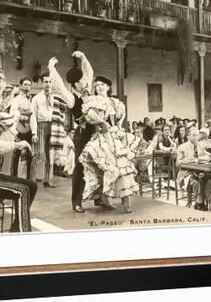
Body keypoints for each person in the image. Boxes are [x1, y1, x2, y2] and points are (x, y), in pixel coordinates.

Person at [79, 76, 144, 213]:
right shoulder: (93, 101)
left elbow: (120, 121)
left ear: (108, 87)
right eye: (97, 86)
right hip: (101, 137)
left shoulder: (116, 103)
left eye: (102, 85)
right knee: (106, 168)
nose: (100, 87)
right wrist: (102, 122)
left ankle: (126, 200)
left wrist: (119, 129)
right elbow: (90, 116)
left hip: (115, 137)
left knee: (122, 166)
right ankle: (105, 199)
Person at [46, 52, 96, 212]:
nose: (85, 81)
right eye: (82, 80)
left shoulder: (87, 92)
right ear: (75, 84)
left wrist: (83, 58)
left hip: (96, 133)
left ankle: (99, 199)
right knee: (81, 167)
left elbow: (89, 72)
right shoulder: (72, 98)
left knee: (100, 164)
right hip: (83, 135)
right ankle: (76, 202)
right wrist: (51, 68)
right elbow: (59, 85)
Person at [0, 116, 38, 233]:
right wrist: (16, 145)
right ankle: (23, 234)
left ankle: (16, 229)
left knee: (32, 186)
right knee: (22, 191)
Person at [29, 71, 67, 188]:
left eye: (50, 82)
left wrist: (61, 129)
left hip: (54, 126)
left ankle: (47, 179)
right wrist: (34, 132)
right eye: (46, 82)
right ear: (42, 83)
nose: (48, 84)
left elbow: (62, 114)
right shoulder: (36, 98)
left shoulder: (57, 98)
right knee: (39, 153)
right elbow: (33, 115)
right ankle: (32, 180)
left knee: (50, 154)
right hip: (41, 126)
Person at [175, 127, 211, 211]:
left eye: (196, 135)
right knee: (196, 181)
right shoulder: (182, 147)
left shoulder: (199, 146)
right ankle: (199, 203)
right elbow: (177, 163)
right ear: (188, 136)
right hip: (185, 173)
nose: (195, 137)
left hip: (198, 171)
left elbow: (205, 155)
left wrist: (208, 155)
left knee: (208, 179)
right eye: (193, 135)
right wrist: (187, 160)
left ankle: (207, 201)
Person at [9, 77, 34, 179]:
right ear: (21, 86)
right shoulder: (17, 99)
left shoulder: (31, 99)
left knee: (29, 153)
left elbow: (33, 115)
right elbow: (12, 111)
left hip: (29, 128)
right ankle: (14, 176)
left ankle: (28, 177)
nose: (27, 87)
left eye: (29, 85)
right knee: (17, 152)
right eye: (25, 84)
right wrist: (21, 115)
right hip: (19, 128)